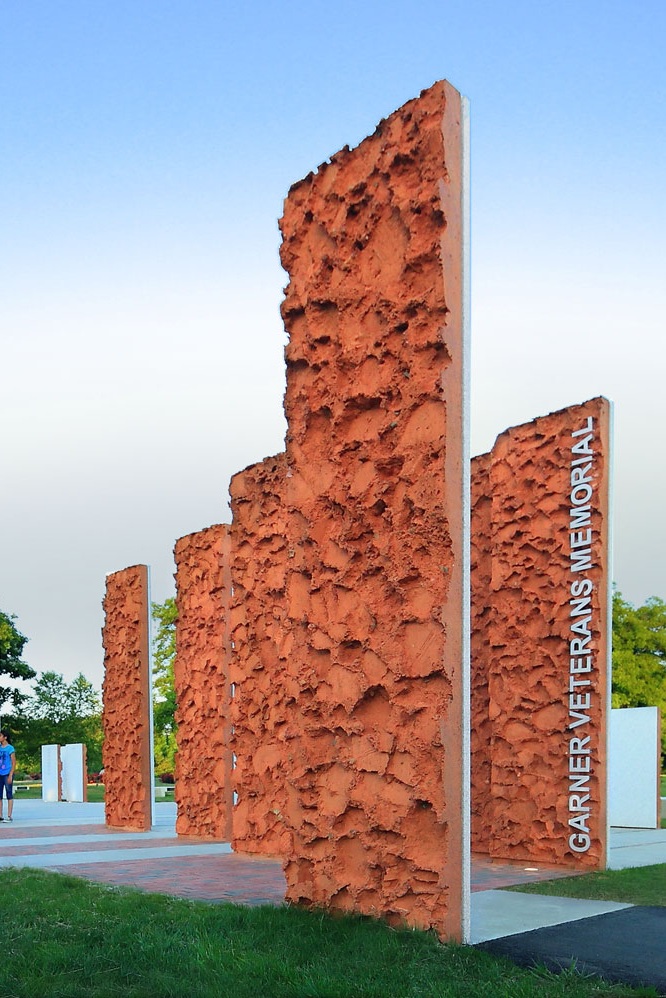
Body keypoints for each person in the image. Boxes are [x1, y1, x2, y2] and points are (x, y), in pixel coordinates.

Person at [0, 729, 16, 822]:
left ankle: (9, 815)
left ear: (5, 737)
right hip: (0, 773)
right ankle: (0, 815)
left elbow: (14, 762)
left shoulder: (10, 748)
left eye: (0, 736)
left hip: (7, 773)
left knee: (9, 793)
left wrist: (10, 775)